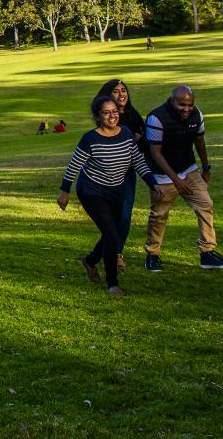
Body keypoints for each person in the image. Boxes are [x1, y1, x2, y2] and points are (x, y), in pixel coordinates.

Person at [57, 94, 158, 296]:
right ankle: (112, 283)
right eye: (106, 113)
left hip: (116, 190)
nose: (112, 116)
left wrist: (153, 184)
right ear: (97, 116)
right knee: (112, 234)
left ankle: (90, 260)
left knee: (113, 231)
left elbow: (137, 161)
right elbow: (74, 166)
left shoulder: (127, 134)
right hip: (92, 191)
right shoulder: (90, 138)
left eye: (114, 112)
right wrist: (64, 192)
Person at [143, 85, 223, 271]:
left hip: (189, 169)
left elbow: (199, 141)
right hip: (162, 174)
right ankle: (152, 254)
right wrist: (176, 180)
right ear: (172, 100)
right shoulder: (156, 118)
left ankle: (207, 252)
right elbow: (155, 153)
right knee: (159, 215)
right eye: (182, 104)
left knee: (205, 203)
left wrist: (206, 167)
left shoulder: (197, 115)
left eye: (189, 105)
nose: (186, 109)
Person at [99, 78, 145, 269]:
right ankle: (106, 252)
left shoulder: (134, 116)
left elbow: (144, 144)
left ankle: (116, 252)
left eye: (124, 90)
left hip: (128, 174)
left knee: (124, 215)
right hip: (107, 173)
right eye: (116, 91)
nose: (121, 94)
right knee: (110, 217)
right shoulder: (106, 117)